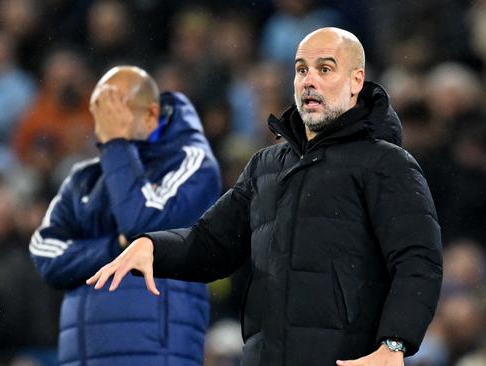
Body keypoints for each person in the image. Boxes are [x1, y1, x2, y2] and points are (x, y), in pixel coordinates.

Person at [88, 28, 443, 365]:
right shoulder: (265, 165)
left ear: (355, 81)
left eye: (325, 69)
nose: (309, 80)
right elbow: (210, 244)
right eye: (301, 69)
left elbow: (417, 261)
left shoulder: (386, 163)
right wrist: (152, 245)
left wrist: (395, 344)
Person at [30, 65, 221, 366]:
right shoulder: (84, 178)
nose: (102, 126)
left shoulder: (192, 163)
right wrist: (116, 247)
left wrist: (116, 143)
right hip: (83, 355)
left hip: (155, 353)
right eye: (99, 112)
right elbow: (46, 256)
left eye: (114, 110)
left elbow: (141, 227)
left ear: (150, 114)